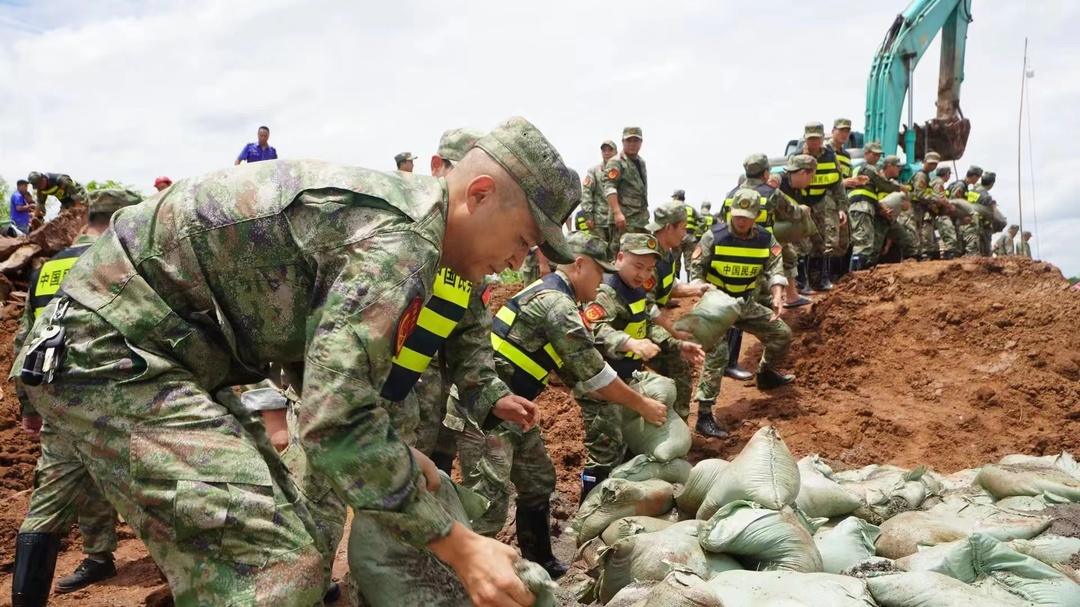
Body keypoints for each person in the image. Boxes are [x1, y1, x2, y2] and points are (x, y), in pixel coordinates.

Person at [13, 116, 579, 607]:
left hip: (162, 352)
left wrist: (392, 449)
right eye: (524, 238)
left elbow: (326, 375)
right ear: (478, 195)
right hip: (115, 349)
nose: (516, 263)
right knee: (274, 567)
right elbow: (334, 421)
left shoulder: (399, 223)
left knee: (293, 541)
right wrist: (460, 546)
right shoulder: (401, 242)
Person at [453, 233, 665, 579]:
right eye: (599, 275)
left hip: (514, 406)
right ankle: (471, 580)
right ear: (579, 266)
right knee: (488, 505)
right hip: (484, 409)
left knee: (538, 479)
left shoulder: (560, 299)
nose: (601, 285)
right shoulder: (557, 304)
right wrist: (641, 405)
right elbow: (593, 372)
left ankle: (539, 562)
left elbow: (574, 372)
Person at [12, 189, 141, 606]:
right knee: (155, 478)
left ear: (86, 219)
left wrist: (29, 406)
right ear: (124, 217)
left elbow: (25, 340)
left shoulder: (49, 268)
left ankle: (92, 560)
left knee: (62, 483)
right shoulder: (129, 261)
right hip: (124, 394)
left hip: (60, 396)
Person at [579, 233, 700, 496]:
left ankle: (619, 502)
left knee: (627, 447)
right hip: (601, 387)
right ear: (620, 258)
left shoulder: (637, 290)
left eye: (648, 268)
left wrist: (678, 345)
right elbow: (594, 331)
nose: (642, 274)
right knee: (604, 453)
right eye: (637, 266)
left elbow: (646, 328)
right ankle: (587, 510)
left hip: (627, 380)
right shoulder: (606, 292)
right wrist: (628, 343)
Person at [691, 190, 794, 438]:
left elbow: (775, 266)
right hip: (717, 304)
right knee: (718, 354)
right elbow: (696, 270)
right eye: (737, 216)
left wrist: (778, 292)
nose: (741, 221)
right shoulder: (713, 236)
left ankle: (766, 374)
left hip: (745, 303)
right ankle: (704, 416)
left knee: (781, 334)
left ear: (757, 216)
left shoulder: (766, 239)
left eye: (747, 217)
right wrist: (703, 292)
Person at [642, 202, 708, 427]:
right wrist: (675, 332)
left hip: (646, 324)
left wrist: (696, 289)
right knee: (678, 368)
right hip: (637, 327)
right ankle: (676, 428)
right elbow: (647, 308)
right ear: (669, 227)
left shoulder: (667, 254)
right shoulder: (651, 256)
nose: (685, 234)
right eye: (683, 228)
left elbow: (667, 288)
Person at [796, 122, 847, 292]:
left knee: (825, 242)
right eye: (810, 139)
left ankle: (823, 278)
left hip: (822, 201)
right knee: (803, 243)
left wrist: (841, 208)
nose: (814, 143)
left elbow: (838, 184)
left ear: (822, 138)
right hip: (802, 203)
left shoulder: (830, 157)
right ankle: (803, 282)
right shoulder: (797, 157)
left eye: (817, 139)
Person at [847, 142, 903, 270]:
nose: (877, 157)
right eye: (874, 154)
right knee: (863, 243)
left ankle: (858, 275)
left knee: (865, 242)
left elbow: (870, 194)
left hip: (862, 206)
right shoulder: (869, 168)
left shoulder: (856, 167)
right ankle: (855, 277)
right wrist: (899, 188)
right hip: (861, 206)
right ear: (866, 154)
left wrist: (880, 208)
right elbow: (883, 184)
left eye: (879, 155)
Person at [772, 155, 817, 307]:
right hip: (762, 229)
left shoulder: (797, 189)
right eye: (811, 177)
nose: (811, 182)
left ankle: (792, 296)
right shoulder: (778, 180)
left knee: (789, 256)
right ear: (803, 173)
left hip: (773, 228)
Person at [601, 127, 649, 254]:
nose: (632, 144)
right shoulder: (616, 162)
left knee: (639, 255)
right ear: (623, 142)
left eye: (636, 141)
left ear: (641, 143)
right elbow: (610, 187)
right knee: (620, 255)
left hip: (640, 219)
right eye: (629, 141)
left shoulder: (641, 162)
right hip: (624, 219)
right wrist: (617, 213)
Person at [575, 140, 618, 240]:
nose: (606, 153)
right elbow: (586, 194)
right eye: (604, 150)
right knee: (599, 252)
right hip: (598, 221)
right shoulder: (594, 171)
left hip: (617, 220)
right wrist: (588, 216)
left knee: (617, 251)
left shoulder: (623, 170)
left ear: (616, 152)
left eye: (609, 150)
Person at [948, 165, 983, 256]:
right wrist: (962, 216)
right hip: (953, 219)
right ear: (974, 176)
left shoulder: (964, 186)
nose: (978, 180)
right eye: (978, 178)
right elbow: (953, 204)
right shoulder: (960, 185)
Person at [929, 165, 961, 259]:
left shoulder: (935, 181)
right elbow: (939, 199)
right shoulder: (939, 182)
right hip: (939, 214)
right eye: (949, 174)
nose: (949, 176)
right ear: (946, 174)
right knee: (951, 238)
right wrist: (950, 207)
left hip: (935, 214)